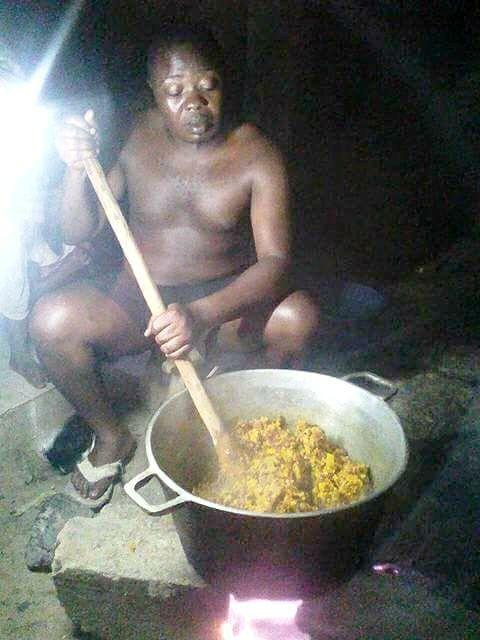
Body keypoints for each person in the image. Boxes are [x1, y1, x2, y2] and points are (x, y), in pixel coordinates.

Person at [29, 27, 320, 508]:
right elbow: (77, 231)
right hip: (140, 303)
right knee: (50, 321)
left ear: (223, 84)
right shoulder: (134, 136)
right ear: (153, 93)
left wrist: (200, 315)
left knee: (299, 317)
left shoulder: (257, 155)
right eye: (175, 90)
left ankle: (255, 418)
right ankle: (111, 436)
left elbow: (276, 262)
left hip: (220, 306)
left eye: (207, 86)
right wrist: (76, 169)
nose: (194, 103)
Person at [0, 41, 92, 388]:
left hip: (18, 206)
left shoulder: (17, 106)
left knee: (78, 250)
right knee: (10, 254)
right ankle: (19, 353)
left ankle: (40, 283)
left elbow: (26, 170)